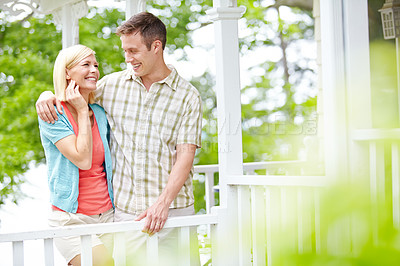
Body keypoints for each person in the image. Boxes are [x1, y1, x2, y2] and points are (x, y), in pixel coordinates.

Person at [36, 12, 202, 265]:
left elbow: (185, 155)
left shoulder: (188, 96)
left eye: (133, 51)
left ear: (156, 46)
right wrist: (46, 94)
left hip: (174, 212)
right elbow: (77, 91)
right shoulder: (111, 86)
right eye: (125, 51)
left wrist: (163, 204)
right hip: (126, 215)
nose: (127, 58)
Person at [38, 44, 114, 266]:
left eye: (96, 65)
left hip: (108, 216)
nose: (94, 70)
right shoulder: (53, 114)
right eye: (86, 64)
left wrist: (86, 109)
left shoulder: (99, 113)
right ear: (67, 72)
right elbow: (82, 160)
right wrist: (81, 110)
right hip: (71, 220)